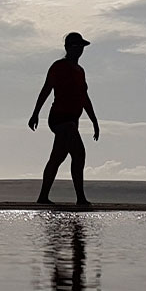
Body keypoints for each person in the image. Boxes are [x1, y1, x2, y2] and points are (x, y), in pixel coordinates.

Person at [28, 32, 100, 206]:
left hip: (73, 120)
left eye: (81, 46)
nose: (79, 50)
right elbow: (46, 89)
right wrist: (35, 113)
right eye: (75, 46)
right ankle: (80, 198)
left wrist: (94, 121)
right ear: (67, 48)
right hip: (60, 118)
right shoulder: (58, 66)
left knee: (57, 157)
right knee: (79, 153)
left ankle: (43, 197)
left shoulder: (80, 71)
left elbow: (84, 98)